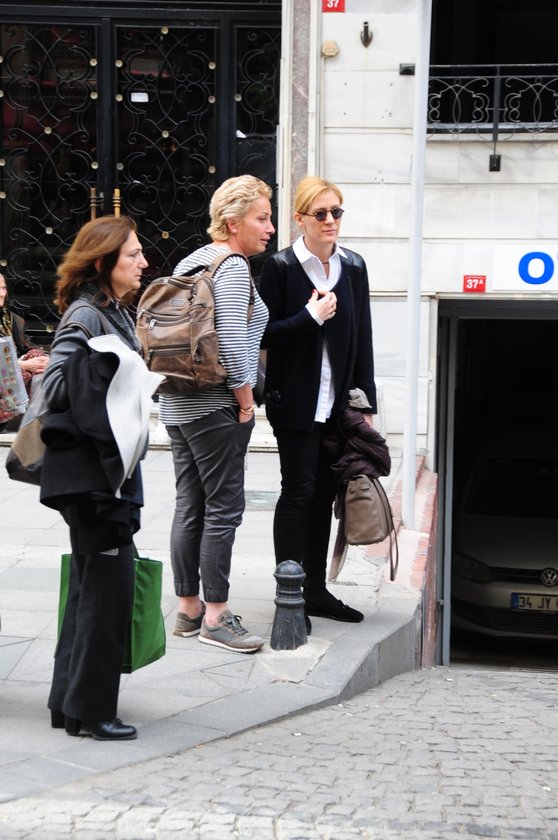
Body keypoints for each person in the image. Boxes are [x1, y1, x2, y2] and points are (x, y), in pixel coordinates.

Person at [41, 215, 150, 741]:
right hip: (92, 477)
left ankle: (69, 704)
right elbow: (54, 388)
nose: (144, 262)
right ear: (104, 261)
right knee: (107, 591)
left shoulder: (113, 312)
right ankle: (91, 711)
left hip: (103, 473)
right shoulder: (87, 315)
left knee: (91, 587)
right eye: (133, 254)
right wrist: (111, 373)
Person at [159, 175, 273, 653]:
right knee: (224, 508)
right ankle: (217, 617)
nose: (269, 228)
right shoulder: (231, 266)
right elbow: (230, 341)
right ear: (232, 222)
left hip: (177, 403)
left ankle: (188, 610)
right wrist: (246, 402)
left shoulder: (191, 260)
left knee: (190, 504)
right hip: (214, 407)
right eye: (261, 218)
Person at [259, 176, 377, 632]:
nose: (331, 221)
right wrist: (310, 317)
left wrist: (364, 402)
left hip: (338, 404)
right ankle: (288, 594)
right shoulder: (281, 267)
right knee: (298, 491)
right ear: (300, 218)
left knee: (325, 493)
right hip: (295, 401)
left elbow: (363, 337)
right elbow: (264, 335)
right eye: (321, 213)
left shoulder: (354, 266)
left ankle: (316, 591)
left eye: (336, 212)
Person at [0, 273, 49, 428]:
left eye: (3, 288)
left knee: (39, 361)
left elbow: (26, 345)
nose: (2, 293)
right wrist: (20, 365)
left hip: (11, 378)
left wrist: (42, 360)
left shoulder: (11, 319)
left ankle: (37, 423)